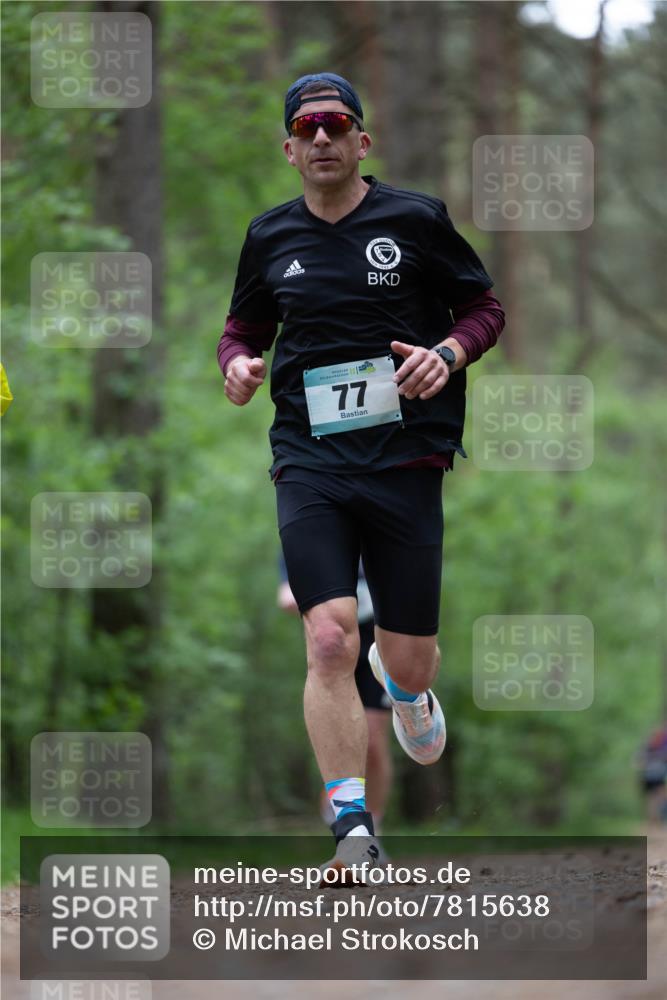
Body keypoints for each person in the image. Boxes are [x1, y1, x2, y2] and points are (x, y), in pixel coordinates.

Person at [217, 72, 505, 880]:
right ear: (287, 147)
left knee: (406, 658)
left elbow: (483, 309)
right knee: (328, 635)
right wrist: (237, 362)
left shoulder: (413, 220)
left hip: (405, 457)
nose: (320, 140)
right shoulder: (269, 235)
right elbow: (243, 327)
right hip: (308, 458)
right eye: (305, 129)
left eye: (334, 125)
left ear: (360, 140)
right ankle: (351, 826)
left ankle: (407, 689)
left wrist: (447, 354)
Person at [278, 554, 393, 840]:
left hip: (379, 634)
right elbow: (294, 555)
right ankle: (348, 825)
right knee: (339, 735)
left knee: (373, 742)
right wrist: (286, 587)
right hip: (333, 633)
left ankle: (372, 828)